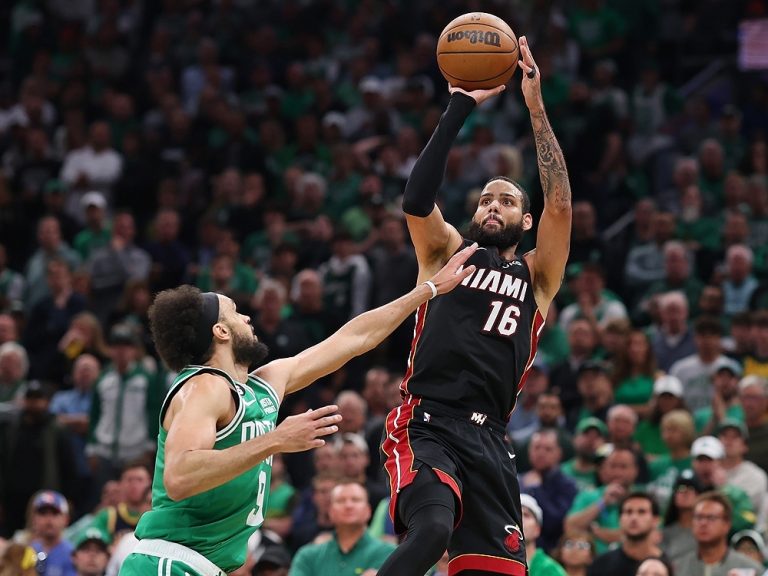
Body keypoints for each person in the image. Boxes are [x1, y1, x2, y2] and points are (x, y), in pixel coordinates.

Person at [120, 244, 477, 576]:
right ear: (220, 331)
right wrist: (275, 440)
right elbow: (180, 477)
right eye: (235, 312)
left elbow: (353, 339)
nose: (247, 317)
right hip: (169, 560)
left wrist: (427, 289)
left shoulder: (265, 383)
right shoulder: (205, 386)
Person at [379, 36, 572, 576]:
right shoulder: (445, 252)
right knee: (435, 528)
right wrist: (459, 103)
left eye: (507, 200)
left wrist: (535, 108)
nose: (492, 205)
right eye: (485, 198)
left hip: (491, 440)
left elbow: (560, 202)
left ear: (525, 222)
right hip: (427, 422)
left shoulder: (537, 275)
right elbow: (416, 200)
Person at [288, 482, 395, 576]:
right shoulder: (308, 556)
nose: (348, 505)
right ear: (331, 512)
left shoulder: (389, 553)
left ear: (368, 510)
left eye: (355, 500)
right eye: (341, 501)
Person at [673, 492, 763, 576]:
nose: (703, 523)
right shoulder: (677, 568)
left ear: (727, 524)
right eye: (698, 517)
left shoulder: (749, 569)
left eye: (711, 518)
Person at [587, 492, 664, 576]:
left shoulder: (664, 566)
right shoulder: (600, 565)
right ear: (620, 519)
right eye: (628, 512)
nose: (634, 518)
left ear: (656, 520)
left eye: (641, 512)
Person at [520, 494, 567, 576]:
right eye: (516, 514)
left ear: (537, 530)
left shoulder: (552, 570)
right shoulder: (496, 561)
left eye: (526, 515)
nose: (520, 519)